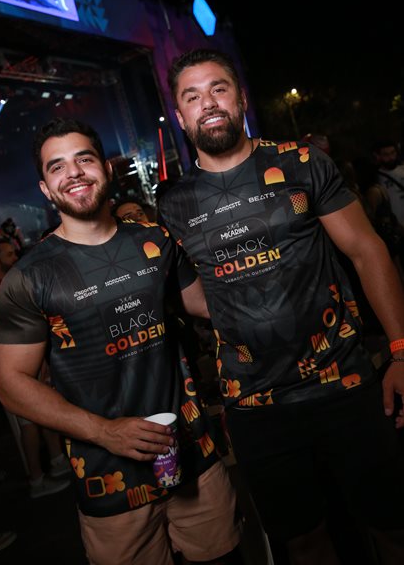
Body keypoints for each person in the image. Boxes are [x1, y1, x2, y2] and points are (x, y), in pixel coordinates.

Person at [158, 47, 404, 565]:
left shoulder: (300, 162)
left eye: (219, 88)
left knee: (391, 523)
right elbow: (193, 296)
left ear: (241, 98)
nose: (209, 103)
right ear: (180, 116)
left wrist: (401, 351)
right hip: (256, 406)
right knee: (304, 541)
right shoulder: (172, 204)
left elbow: (367, 250)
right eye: (192, 96)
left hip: (345, 383)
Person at [0, 118, 242, 565]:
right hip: (109, 480)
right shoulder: (29, 277)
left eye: (84, 159)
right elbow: (11, 383)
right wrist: (104, 432)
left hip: (194, 457)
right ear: (45, 188)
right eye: (57, 166)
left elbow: (207, 305)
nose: (74, 172)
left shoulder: (155, 240)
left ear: (106, 169)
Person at [0, 238, 71, 499]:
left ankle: (57, 461)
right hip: (12, 365)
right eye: (8, 254)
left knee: (48, 408)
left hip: (33, 360)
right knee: (28, 424)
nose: (15, 257)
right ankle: (36, 480)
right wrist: (19, 322)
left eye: (14, 252)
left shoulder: (17, 281)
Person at [373, 138, 404, 227]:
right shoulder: (376, 177)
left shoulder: (402, 170)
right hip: (396, 226)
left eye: (393, 153)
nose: (391, 157)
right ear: (378, 156)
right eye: (386, 154)